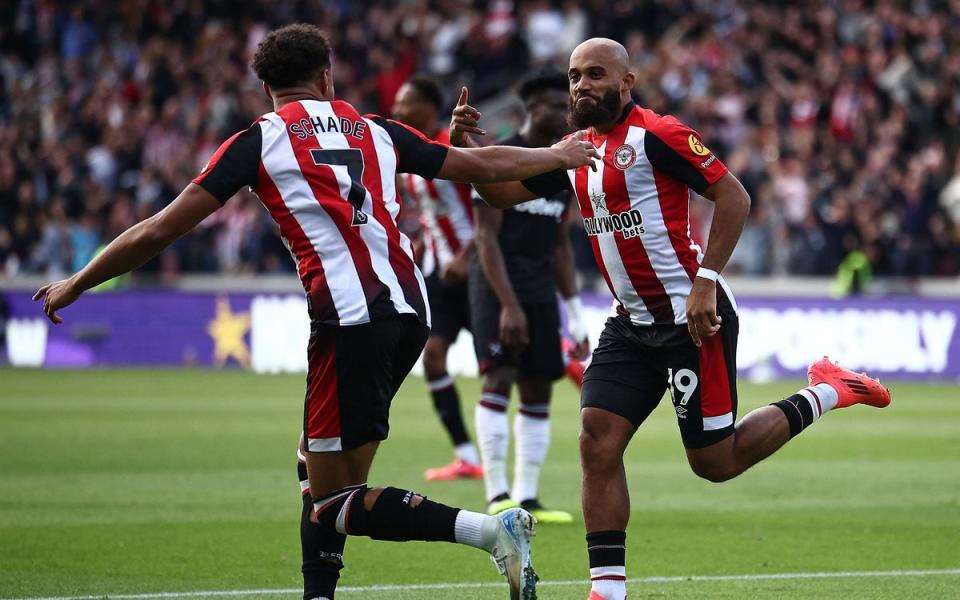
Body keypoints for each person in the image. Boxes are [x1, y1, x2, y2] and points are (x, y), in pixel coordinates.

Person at [33, 24, 601, 600]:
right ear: (326, 77)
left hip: (349, 321)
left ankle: (490, 531)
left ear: (265, 89)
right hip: (408, 309)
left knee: (332, 501)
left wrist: (79, 282)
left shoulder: (259, 141)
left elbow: (161, 228)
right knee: (324, 470)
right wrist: (554, 154)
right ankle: (319, 594)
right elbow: (481, 166)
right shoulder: (375, 128)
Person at [450, 38, 892, 600]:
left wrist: (706, 280)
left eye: (594, 74)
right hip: (630, 323)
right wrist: (461, 149)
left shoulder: (659, 135)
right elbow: (503, 193)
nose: (581, 85)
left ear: (626, 82)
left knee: (715, 461)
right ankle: (607, 591)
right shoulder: (573, 149)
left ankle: (828, 390)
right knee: (596, 440)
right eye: (573, 76)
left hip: (692, 318)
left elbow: (733, 197)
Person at [468, 71, 589, 524]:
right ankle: (497, 494)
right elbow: (485, 239)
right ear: (529, 110)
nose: (563, 113)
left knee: (539, 385)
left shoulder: (564, 170)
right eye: (553, 105)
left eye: (567, 105)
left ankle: (528, 498)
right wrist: (509, 305)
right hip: (497, 287)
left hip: (540, 290)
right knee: (499, 378)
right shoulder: (501, 158)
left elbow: (561, 246)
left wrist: (575, 316)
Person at [391, 75, 483, 481]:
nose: (397, 110)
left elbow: (490, 209)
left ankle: (567, 352)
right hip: (439, 277)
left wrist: (466, 255)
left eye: (404, 102)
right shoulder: (412, 157)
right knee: (433, 358)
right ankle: (466, 455)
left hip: (478, 269)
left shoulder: (453, 146)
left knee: (501, 368)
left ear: (428, 108)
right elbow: (429, 216)